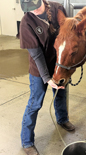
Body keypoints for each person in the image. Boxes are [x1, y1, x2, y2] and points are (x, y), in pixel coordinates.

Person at [19, 0, 75, 154]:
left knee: (61, 94)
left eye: (36, 7)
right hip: (39, 69)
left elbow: (70, 34)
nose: (34, 11)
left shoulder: (58, 8)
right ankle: (27, 141)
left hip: (59, 65)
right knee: (35, 103)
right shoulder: (26, 23)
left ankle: (62, 119)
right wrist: (46, 78)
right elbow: (36, 55)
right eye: (30, 10)